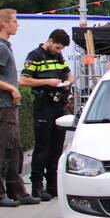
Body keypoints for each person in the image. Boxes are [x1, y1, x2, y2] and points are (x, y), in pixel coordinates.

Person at [20, 29, 75, 201]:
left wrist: (67, 83)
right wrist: (47, 82)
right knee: (43, 146)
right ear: (50, 41)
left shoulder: (58, 57)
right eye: (58, 47)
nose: (60, 51)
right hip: (43, 105)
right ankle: (37, 186)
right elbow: (23, 80)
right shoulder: (35, 55)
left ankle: (53, 185)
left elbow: (69, 74)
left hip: (58, 105)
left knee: (57, 146)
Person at [0, 10, 39, 207]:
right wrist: (12, 89)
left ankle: (18, 191)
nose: (18, 25)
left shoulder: (6, 46)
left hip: (9, 106)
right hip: (3, 106)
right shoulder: (1, 48)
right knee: (4, 150)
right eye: (15, 21)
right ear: (4, 24)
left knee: (15, 150)